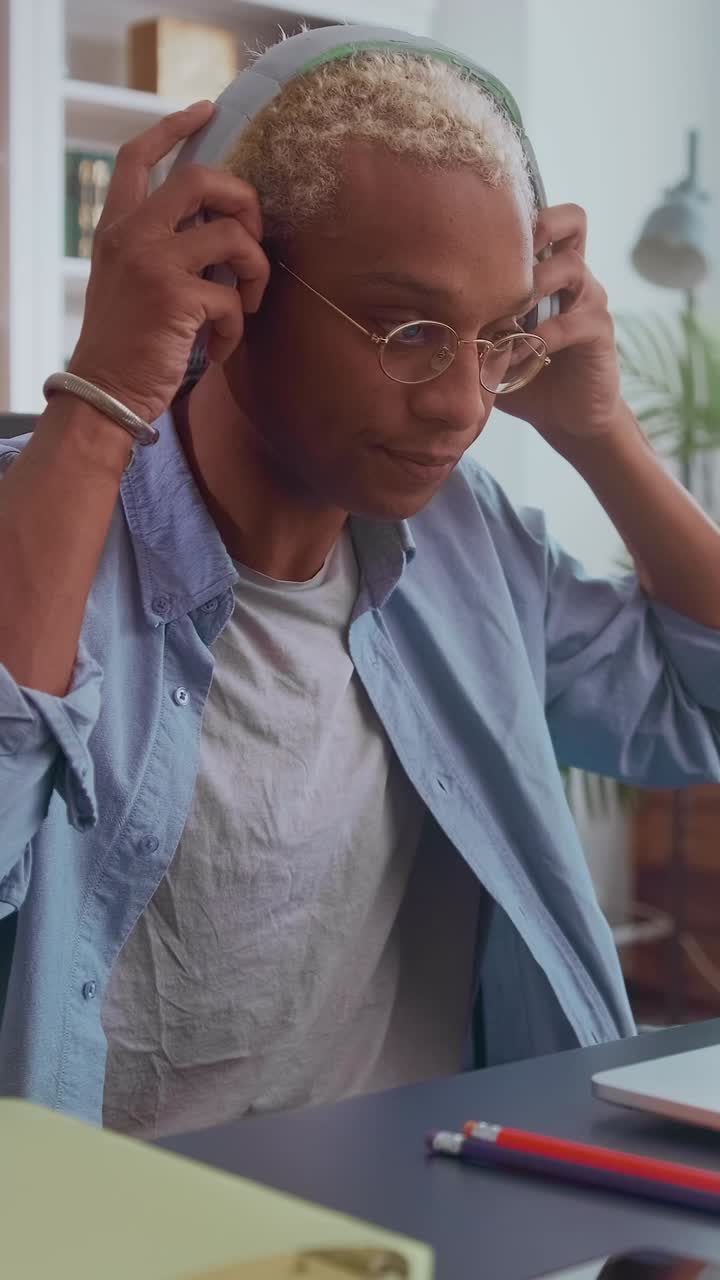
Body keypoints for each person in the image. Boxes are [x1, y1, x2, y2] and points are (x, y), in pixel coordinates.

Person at [2, 33, 720, 1139]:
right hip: (99, 1215)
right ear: (230, 286)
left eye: (498, 338)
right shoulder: (44, 520)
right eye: (410, 330)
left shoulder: (469, 544)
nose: (463, 405)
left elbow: (698, 710)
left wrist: (603, 433)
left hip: (424, 1202)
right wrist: (100, 402)